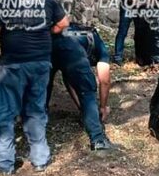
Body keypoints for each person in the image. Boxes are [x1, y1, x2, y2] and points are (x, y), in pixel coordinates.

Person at [0, 0, 69, 175]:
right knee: (35, 110)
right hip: (40, 63)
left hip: (12, 64)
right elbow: (63, 23)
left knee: (4, 112)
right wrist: (43, 33)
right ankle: (40, 159)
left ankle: (4, 164)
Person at [46, 23, 116, 151]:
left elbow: (69, 79)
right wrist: (103, 107)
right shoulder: (100, 46)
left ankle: (36, 132)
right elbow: (104, 80)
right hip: (70, 47)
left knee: (43, 88)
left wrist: (82, 108)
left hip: (48, 43)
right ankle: (98, 140)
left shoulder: (82, 34)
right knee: (87, 90)